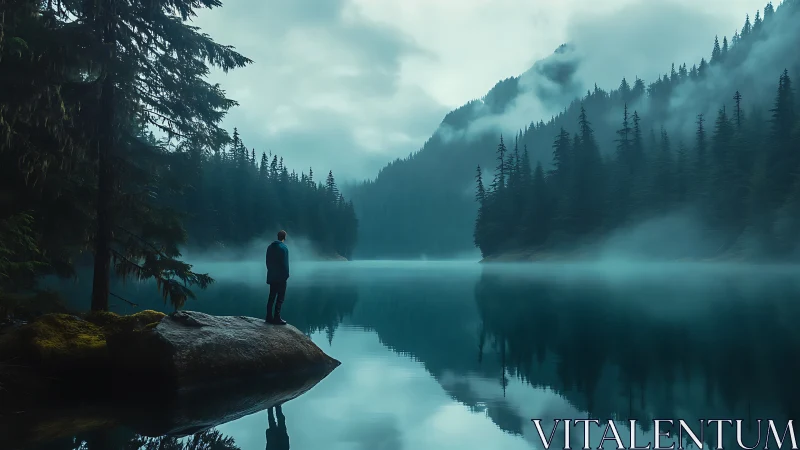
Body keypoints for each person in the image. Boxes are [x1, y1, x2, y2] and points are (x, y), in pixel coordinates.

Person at [266, 230, 290, 325]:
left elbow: (267, 261)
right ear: (284, 237)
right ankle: (277, 317)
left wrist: (270, 271)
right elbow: (285, 263)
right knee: (280, 298)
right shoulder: (284, 248)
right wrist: (286, 275)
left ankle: (268, 317)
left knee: (271, 297)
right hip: (281, 277)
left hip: (272, 275)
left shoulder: (270, 247)